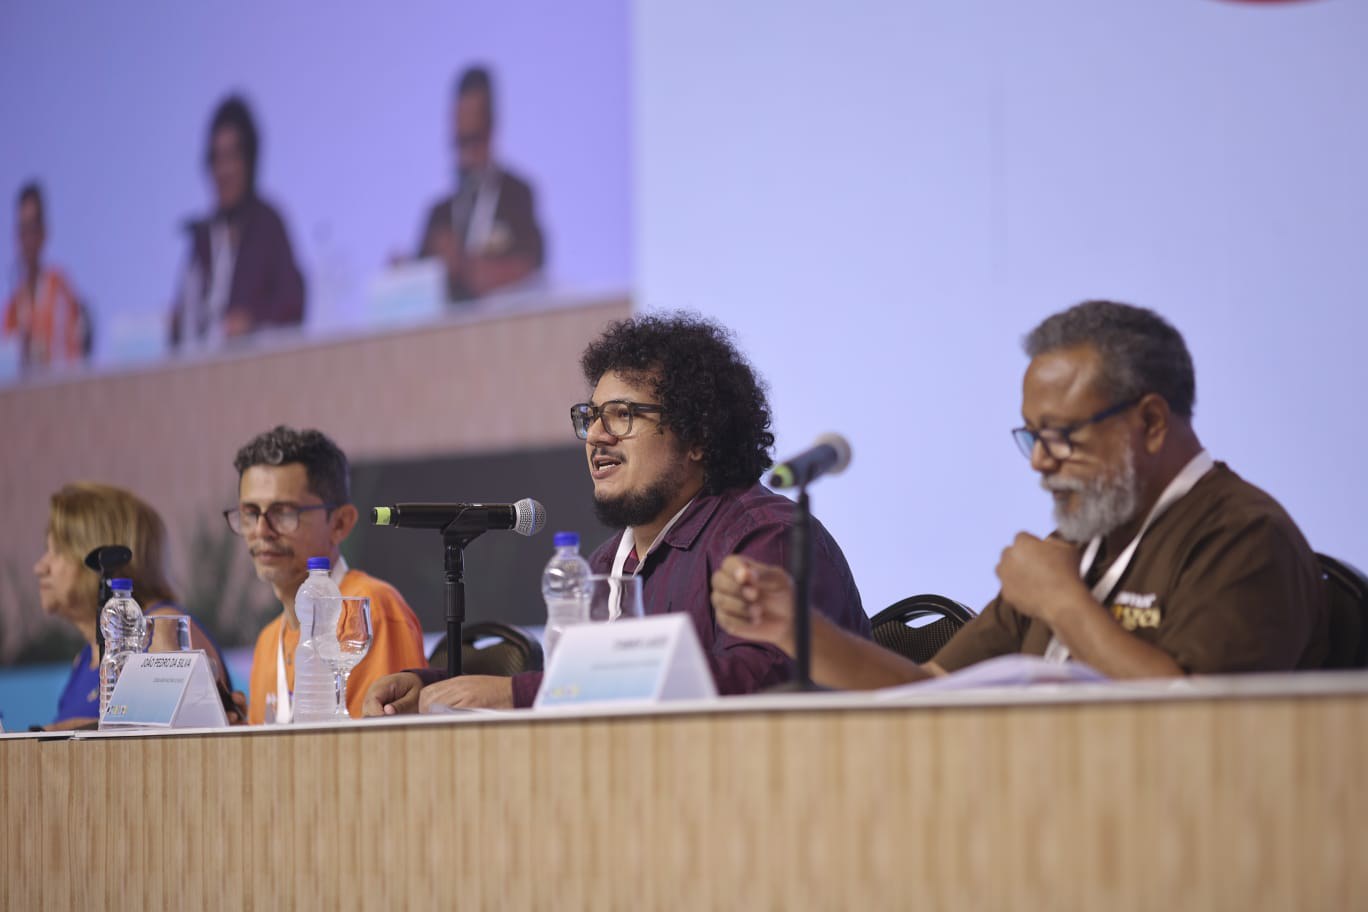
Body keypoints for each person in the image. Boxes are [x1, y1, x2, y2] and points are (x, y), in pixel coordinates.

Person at [713, 300, 1331, 686]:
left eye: (1060, 435)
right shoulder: (1074, 546)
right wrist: (796, 630)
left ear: (1149, 421)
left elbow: (1204, 724)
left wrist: (1064, 603)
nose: (1039, 460)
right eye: (1032, 436)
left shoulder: (1244, 536)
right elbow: (927, 692)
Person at [363, 313, 870, 714]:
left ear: (697, 436)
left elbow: (763, 685)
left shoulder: (763, 537)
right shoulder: (607, 563)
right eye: (591, 416)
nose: (596, 436)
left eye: (623, 415)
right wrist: (433, 688)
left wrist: (517, 694)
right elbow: (577, 687)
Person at [230, 426, 426, 723]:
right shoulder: (268, 640)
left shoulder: (367, 612)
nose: (261, 530)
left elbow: (383, 745)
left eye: (283, 512)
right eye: (250, 513)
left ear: (340, 523)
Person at [33, 482, 233, 730]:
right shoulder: (83, 659)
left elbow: (181, 735)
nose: (40, 567)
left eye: (57, 551)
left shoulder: (162, 630)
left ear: (104, 555)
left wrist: (69, 730)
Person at [169, 95, 305, 348]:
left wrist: (251, 322)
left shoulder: (268, 224)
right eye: (216, 159)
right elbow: (187, 311)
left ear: (249, 160)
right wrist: (173, 324)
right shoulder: (203, 235)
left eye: (231, 157)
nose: (223, 171)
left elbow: (293, 304)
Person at [415, 66, 545, 302]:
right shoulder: (439, 216)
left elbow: (530, 267)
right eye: (460, 142)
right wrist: (403, 277)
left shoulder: (517, 195)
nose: (466, 155)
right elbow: (418, 287)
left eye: (474, 140)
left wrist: (463, 266)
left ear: (491, 129)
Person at [3, 182, 90, 373]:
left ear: (43, 233)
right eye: (22, 230)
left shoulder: (60, 290)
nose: (27, 239)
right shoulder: (13, 308)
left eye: (32, 228)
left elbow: (74, 356)